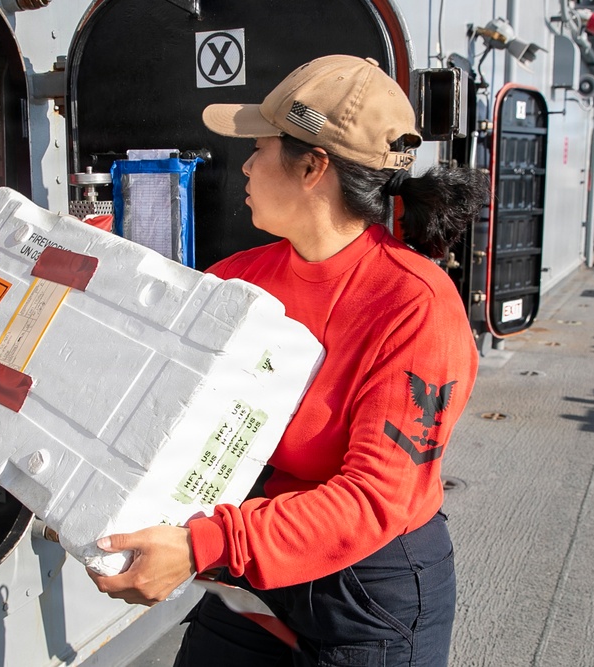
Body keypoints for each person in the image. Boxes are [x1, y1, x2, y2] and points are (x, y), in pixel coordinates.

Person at [88, 55, 489, 665]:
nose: (245, 164)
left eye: (259, 146)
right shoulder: (239, 281)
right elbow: (124, 352)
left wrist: (203, 545)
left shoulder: (415, 303)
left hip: (365, 594)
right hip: (258, 559)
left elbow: (373, 500)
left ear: (312, 166)